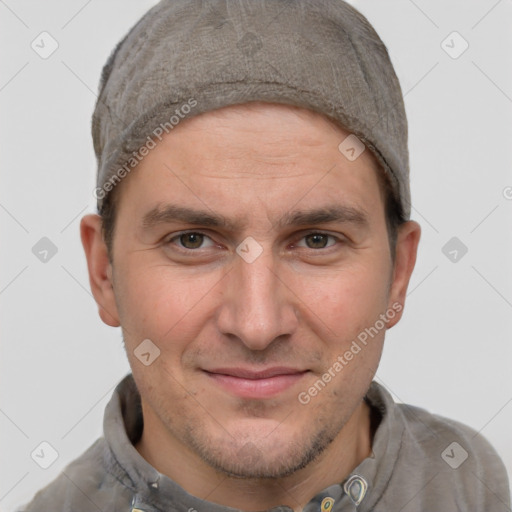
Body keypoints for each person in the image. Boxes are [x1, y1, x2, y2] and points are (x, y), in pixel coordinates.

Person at [19, 0, 510, 511]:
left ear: (398, 275)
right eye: (192, 240)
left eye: (317, 240)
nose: (257, 325)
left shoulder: (476, 488)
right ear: (103, 272)